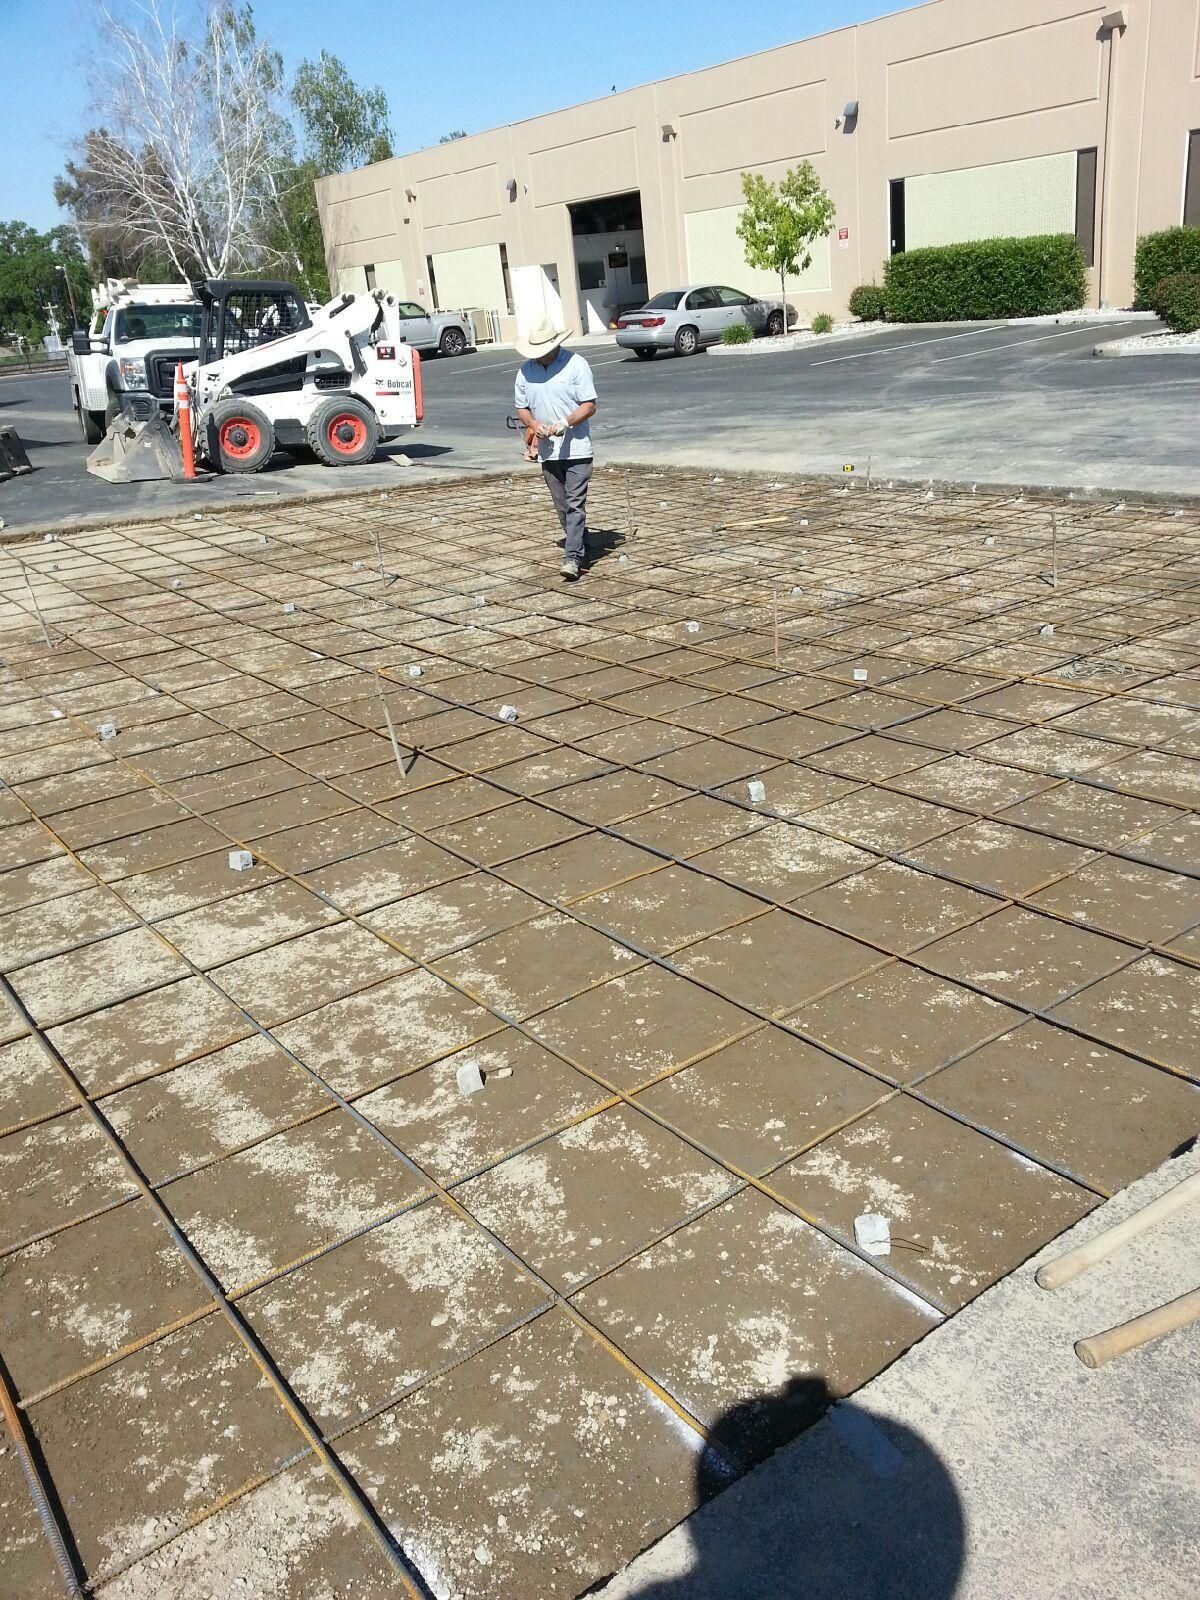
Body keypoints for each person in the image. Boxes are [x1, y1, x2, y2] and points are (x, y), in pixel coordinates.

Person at [514, 317, 597, 580]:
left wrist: (566, 422)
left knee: (575, 504)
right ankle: (581, 543)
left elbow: (589, 404)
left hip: (577, 450)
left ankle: (572, 558)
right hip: (549, 452)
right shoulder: (526, 371)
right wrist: (533, 425)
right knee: (562, 506)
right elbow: (522, 408)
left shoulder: (576, 365)